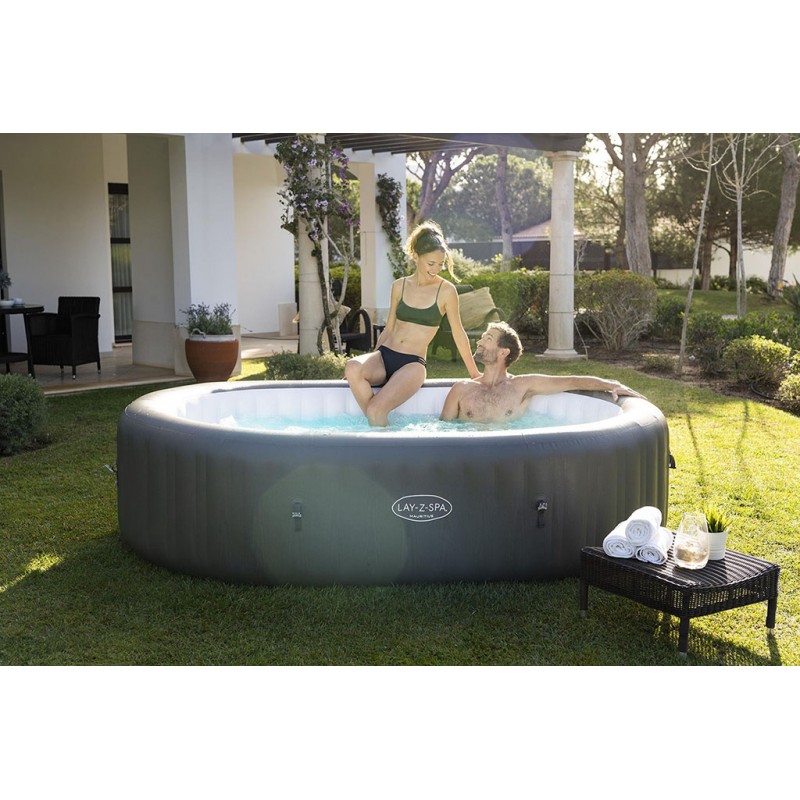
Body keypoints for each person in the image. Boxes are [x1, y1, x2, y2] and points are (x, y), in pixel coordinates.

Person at [345, 221, 481, 426]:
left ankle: (377, 424)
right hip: (385, 354)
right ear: (416, 256)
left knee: (375, 410)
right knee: (353, 367)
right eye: (431, 264)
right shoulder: (399, 286)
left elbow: (458, 333)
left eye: (441, 264)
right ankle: (380, 426)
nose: (436, 269)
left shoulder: (446, 291)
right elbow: (389, 328)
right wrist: (370, 361)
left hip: (412, 364)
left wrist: (474, 373)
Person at [440, 321, 644, 423]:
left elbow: (571, 381)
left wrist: (612, 385)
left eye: (488, 339)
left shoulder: (522, 386)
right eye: (483, 337)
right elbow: (443, 431)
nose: (479, 342)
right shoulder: (461, 389)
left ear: (503, 352)